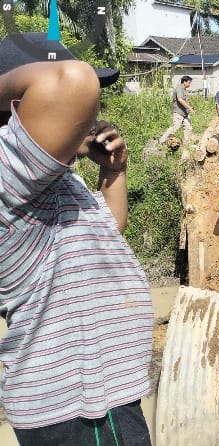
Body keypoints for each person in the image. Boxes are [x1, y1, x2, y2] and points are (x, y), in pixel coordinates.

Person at [0, 33, 154, 444]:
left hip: (99, 396)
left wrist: (113, 172)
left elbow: (109, 229)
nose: (91, 112)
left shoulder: (49, 181)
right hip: (78, 407)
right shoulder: (7, 176)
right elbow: (73, 81)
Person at [159, 75, 194, 146]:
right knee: (175, 127)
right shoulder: (179, 88)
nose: (190, 84)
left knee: (188, 127)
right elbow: (180, 99)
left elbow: (184, 101)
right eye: (189, 83)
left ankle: (186, 142)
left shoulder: (184, 90)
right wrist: (189, 108)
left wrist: (189, 107)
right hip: (178, 112)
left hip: (184, 113)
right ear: (184, 82)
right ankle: (162, 140)